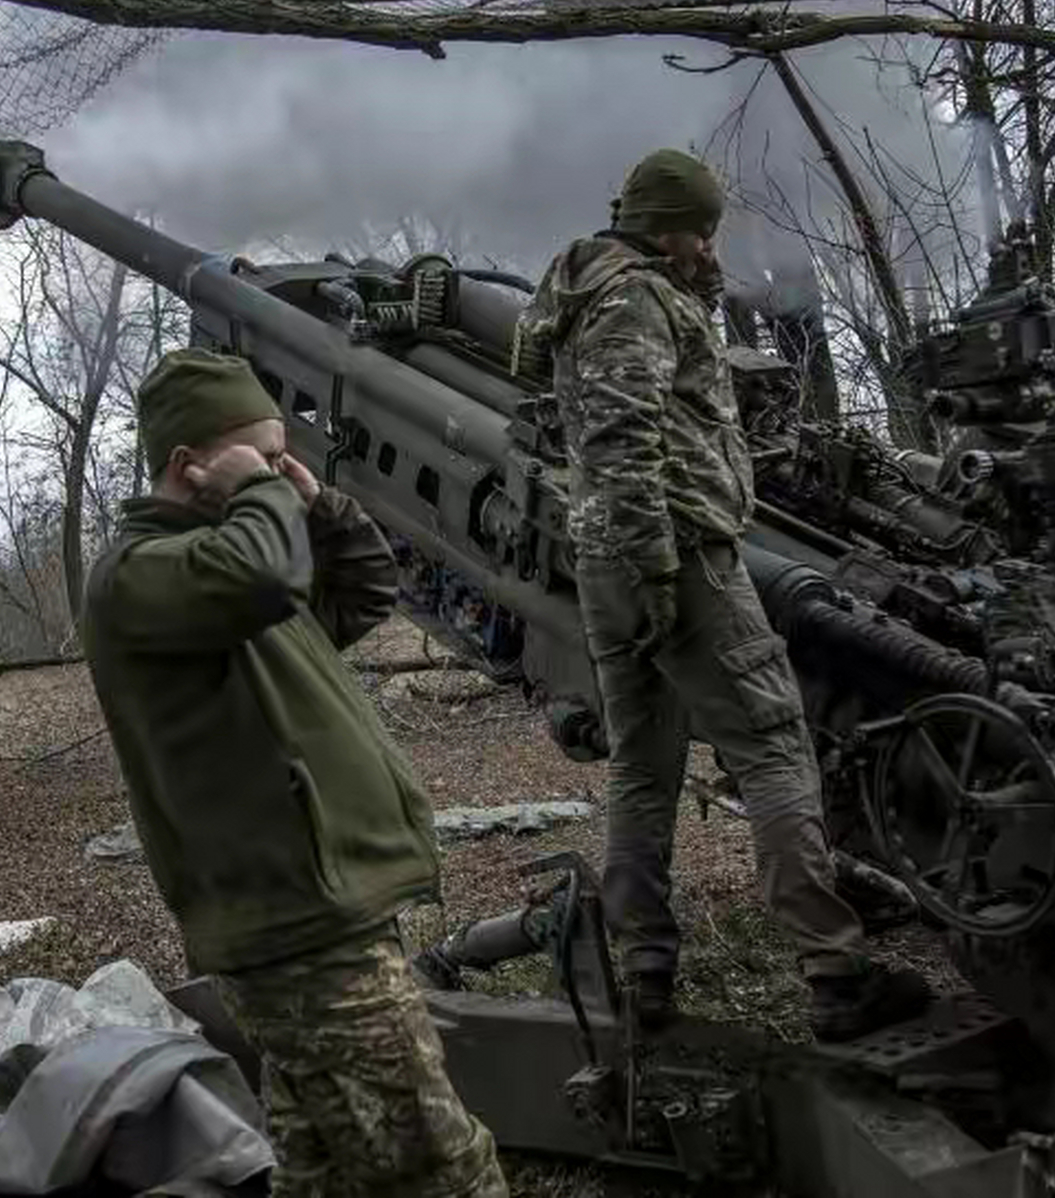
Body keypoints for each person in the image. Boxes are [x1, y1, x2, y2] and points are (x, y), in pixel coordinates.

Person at [515, 148, 934, 1043]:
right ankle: (835, 971)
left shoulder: (600, 290)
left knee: (645, 762)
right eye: (701, 231)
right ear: (667, 227)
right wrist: (663, 571)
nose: (712, 246)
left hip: (608, 563)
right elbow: (629, 440)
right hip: (676, 556)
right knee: (777, 748)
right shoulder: (632, 299)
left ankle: (647, 971)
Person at [80, 348, 507, 1197]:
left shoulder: (227, 566)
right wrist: (261, 497)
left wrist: (322, 507)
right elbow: (265, 576)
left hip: (322, 905)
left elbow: (359, 595)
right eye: (261, 455)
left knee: (323, 1160)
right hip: (295, 923)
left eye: (283, 457)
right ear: (187, 463)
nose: (281, 471)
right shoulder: (142, 575)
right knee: (442, 1168)